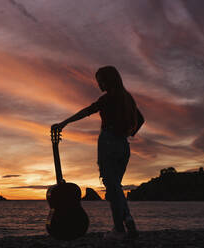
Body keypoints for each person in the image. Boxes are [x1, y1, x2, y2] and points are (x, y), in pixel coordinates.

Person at [51, 66, 144, 240]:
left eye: (100, 80)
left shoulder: (108, 98)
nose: (98, 84)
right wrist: (126, 132)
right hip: (123, 145)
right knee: (115, 187)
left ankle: (120, 229)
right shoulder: (128, 98)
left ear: (109, 80)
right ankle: (125, 222)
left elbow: (86, 111)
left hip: (108, 142)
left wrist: (64, 123)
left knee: (113, 188)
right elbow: (141, 119)